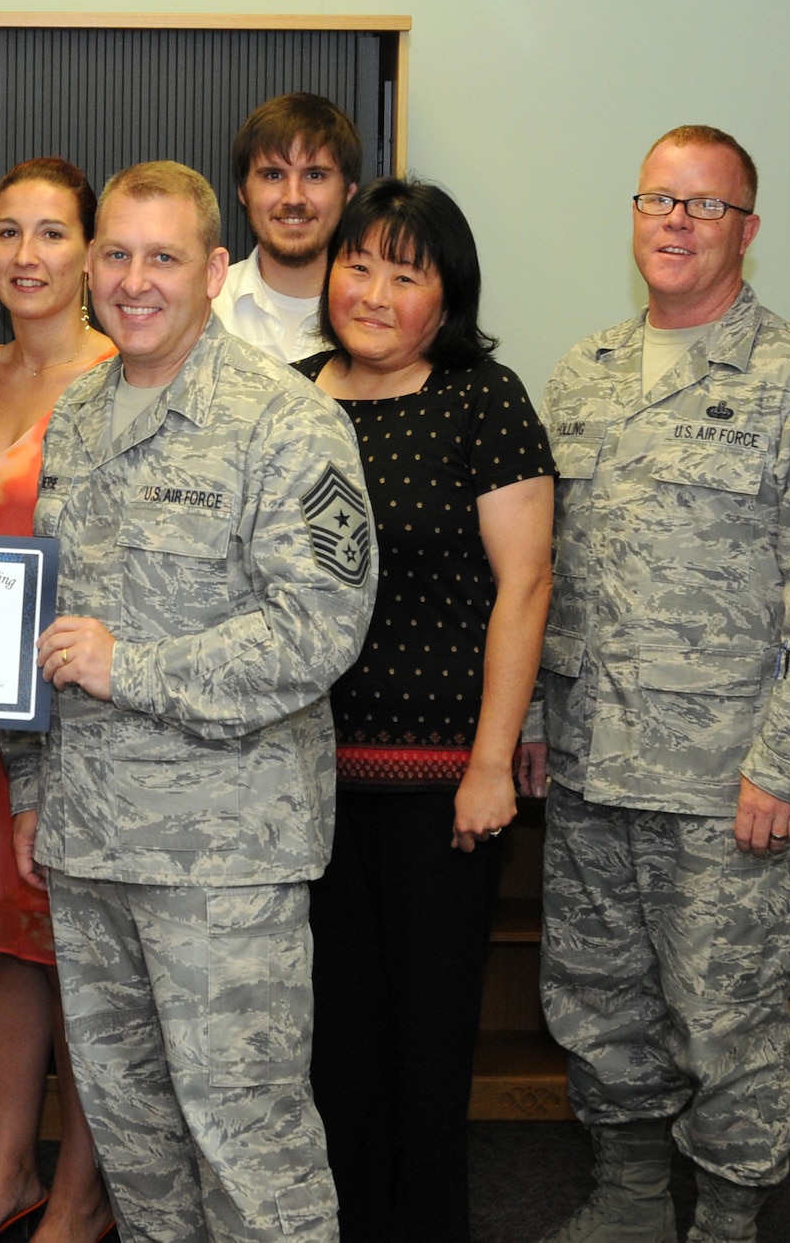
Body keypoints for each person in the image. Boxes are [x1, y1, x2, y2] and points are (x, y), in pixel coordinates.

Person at [532, 126, 790, 1243]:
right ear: (633, 216)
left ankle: (729, 1219)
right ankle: (630, 1197)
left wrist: (789, 764)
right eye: (658, 199)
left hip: (726, 788)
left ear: (746, 229)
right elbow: (550, 580)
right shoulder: (579, 378)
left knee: (725, 1021)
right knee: (598, 1005)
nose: (676, 222)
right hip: (593, 768)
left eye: (704, 205)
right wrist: (536, 724)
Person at [4, 161, 376, 1243]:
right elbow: (44, 611)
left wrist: (132, 668)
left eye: (160, 257)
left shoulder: (283, 423)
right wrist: (29, 780)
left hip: (222, 856)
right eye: (113, 255)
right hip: (88, 839)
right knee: (133, 1140)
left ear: (213, 271)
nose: (132, 280)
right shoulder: (77, 414)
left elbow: (317, 628)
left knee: (248, 1143)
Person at [293, 178, 554, 1242]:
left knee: (427, 1038)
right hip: (303, 782)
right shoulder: (287, 394)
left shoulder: (482, 400)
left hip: (440, 781)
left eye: (404, 272)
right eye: (357, 263)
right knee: (331, 1037)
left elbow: (525, 586)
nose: (371, 289)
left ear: (444, 298)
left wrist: (492, 759)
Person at [0, 158, 117, 1243]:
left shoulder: (118, 373)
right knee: (2, 950)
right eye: (8, 232)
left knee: (89, 957)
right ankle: (4, 1174)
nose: (27, 255)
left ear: (90, 255)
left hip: (78, 710)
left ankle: (84, 1194)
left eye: (52, 234)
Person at [211, 92, 360, 363]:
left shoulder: (374, 319)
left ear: (348, 193)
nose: (293, 197)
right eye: (273, 175)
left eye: (314, 175)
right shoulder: (204, 308)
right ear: (243, 192)